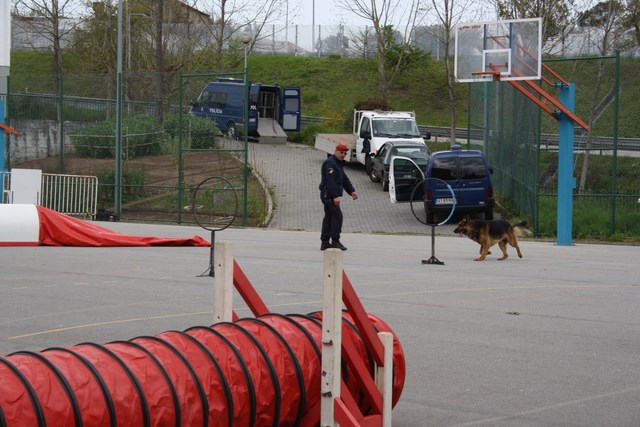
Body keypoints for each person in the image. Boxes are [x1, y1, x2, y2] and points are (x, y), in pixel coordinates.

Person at [319, 143, 359, 251]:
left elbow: (344, 179)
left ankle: (325, 242)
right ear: (335, 151)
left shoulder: (338, 163)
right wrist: (335, 196)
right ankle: (335, 241)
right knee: (337, 216)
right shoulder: (330, 164)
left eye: (345, 153)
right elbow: (330, 182)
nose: (343, 155)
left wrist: (352, 191)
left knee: (329, 217)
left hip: (329, 195)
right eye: (341, 152)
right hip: (329, 195)